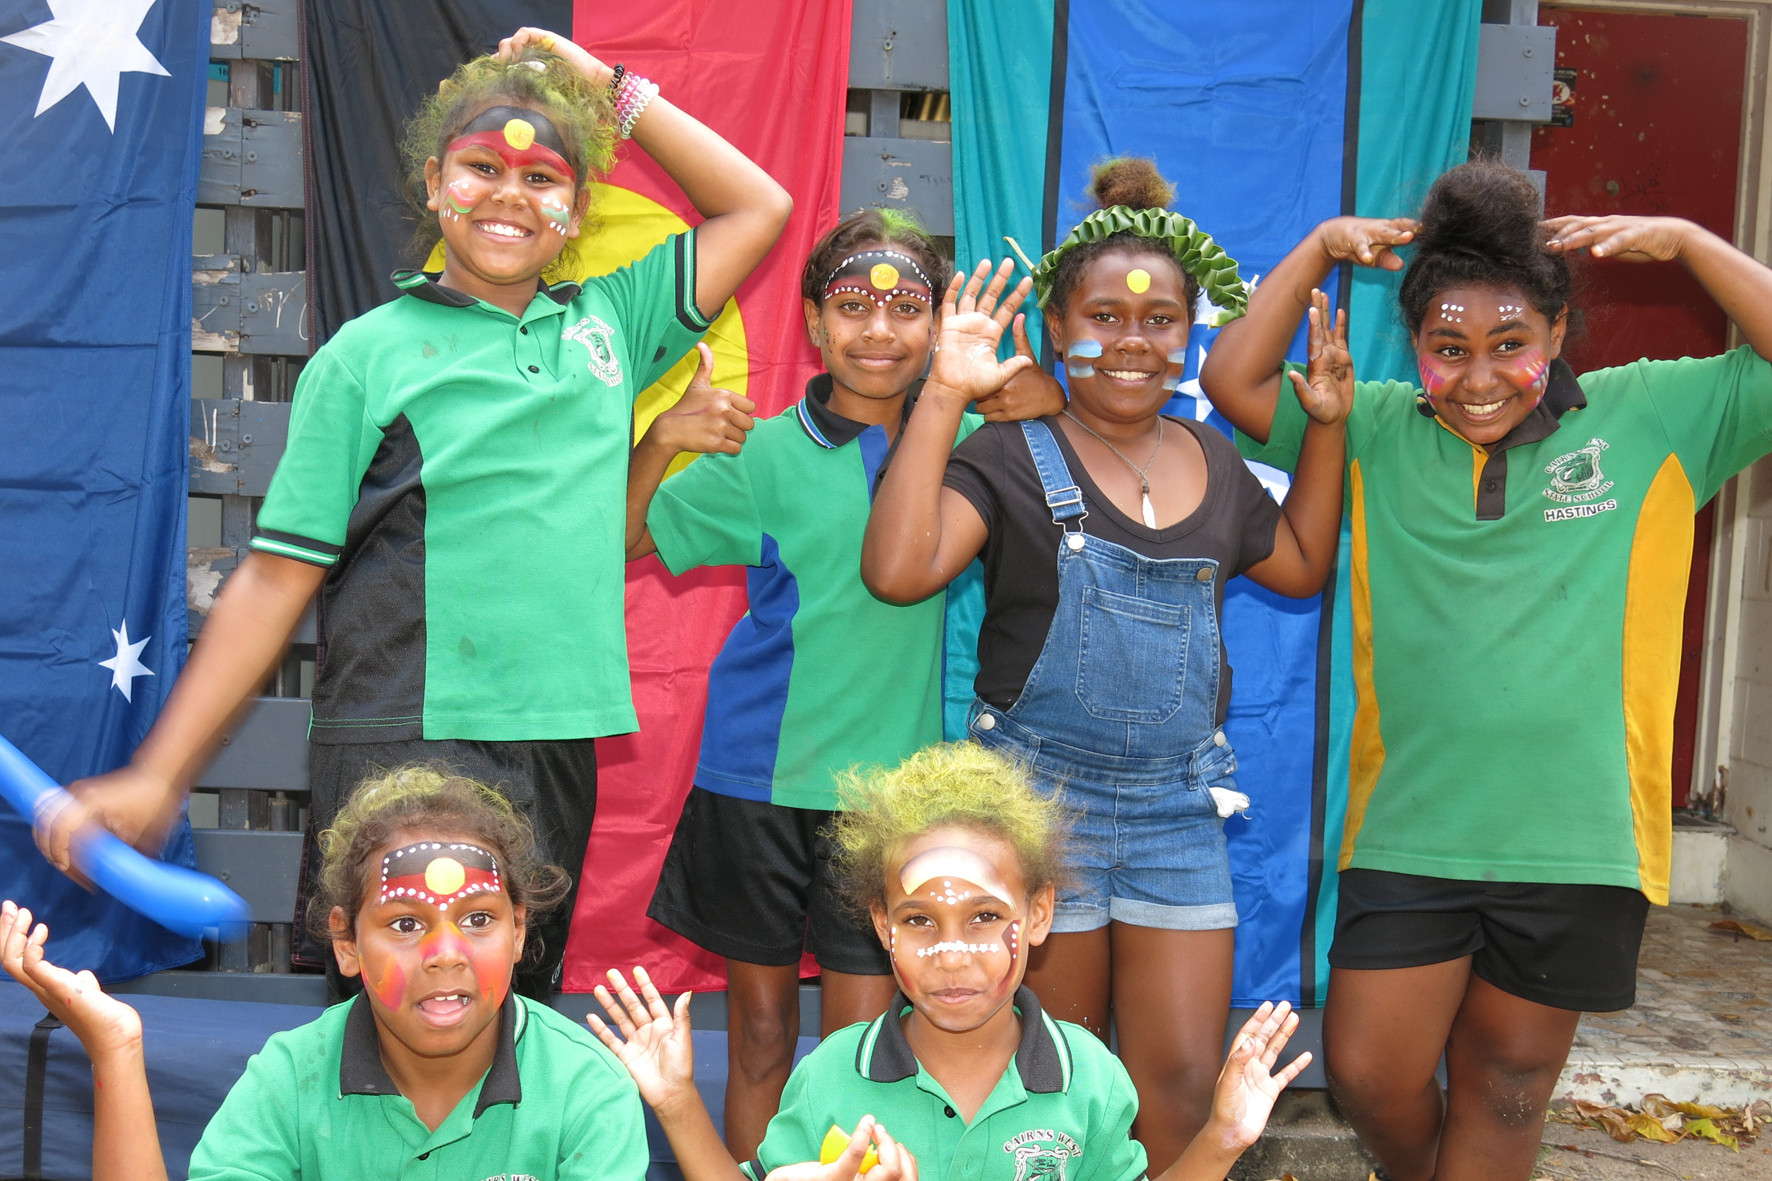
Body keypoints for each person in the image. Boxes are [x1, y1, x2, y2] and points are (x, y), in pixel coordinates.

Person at [34, 27, 792, 998]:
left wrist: (606, 87)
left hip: (554, 743)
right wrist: (160, 771)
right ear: (434, 182)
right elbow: (275, 572)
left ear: (576, 209)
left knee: (509, 1031)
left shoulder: (607, 329)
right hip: (406, 735)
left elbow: (756, 204)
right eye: (481, 167)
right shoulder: (369, 354)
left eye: (542, 177)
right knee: (407, 1031)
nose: (511, 193)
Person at [1197, 159, 1772, 1181]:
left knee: (1506, 1088)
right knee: (1371, 1071)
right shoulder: (1364, 423)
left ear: (1554, 336)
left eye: (1509, 344)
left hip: (1579, 836)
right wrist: (1319, 246)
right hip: (1409, 825)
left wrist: (1688, 240)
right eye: (1445, 346)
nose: (1475, 375)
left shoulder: (1650, 418)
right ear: (1410, 345)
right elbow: (1232, 379)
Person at [858, 158, 1351, 1169]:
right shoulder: (1010, 453)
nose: (1132, 341)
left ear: (1189, 332)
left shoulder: (1213, 460)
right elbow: (899, 570)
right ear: (1052, 327)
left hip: (1179, 811)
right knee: (1060, 1073)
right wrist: (947, 389)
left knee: (1175, 1077)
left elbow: (1300, 566)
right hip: (1038, 804)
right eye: (1105, 317)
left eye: (1160, 320)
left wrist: (1328, 433)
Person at [625, 209, 1064, 1158]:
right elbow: (624, 539)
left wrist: (1023, 382)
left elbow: (1068, 440)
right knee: (764, 1039)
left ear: (940, 322)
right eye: (851, 307)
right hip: (756, 782)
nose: (878, 330)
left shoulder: (970, 440)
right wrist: (661, 441)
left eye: (907, 307)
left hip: (890, 802)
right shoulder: (762, 449)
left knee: (866, 1051)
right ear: (814, 326)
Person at [587, 742, 1312, 1181]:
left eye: (986, 916)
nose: (953, 954)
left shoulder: (1089, 1076)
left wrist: (1221, 1138)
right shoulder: (833, 1075)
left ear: (1038, 913)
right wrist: (679, 1104)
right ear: (882, 927)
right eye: (919, 921)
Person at [1, 766, 650, 1179]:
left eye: (479, 920)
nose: (446, 952)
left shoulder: (585, 1089)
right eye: (404, 924)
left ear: (519, 931)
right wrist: (116, 1052)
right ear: (345, 943)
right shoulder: (292, 1075)